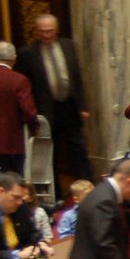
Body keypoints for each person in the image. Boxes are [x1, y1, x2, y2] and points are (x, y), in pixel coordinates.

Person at [16, 14, 92, 182]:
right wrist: (33, 115)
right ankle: (55, 190)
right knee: (51, 153)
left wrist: (83, 106)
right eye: (42, 31)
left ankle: (87, 183)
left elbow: (77, 78)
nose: (46, 35)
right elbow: (25, 86)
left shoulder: (68, 46)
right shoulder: (27, 53)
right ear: (36, 32)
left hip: (70, 106)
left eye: (50, 31)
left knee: (79, 147)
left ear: (56, 30)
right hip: (47, 110)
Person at [0, 42, 41, 176]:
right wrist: (35, 128)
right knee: (14, 178)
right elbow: (28, 110)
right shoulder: (19, 80)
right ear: (14, 59)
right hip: (13, 141)